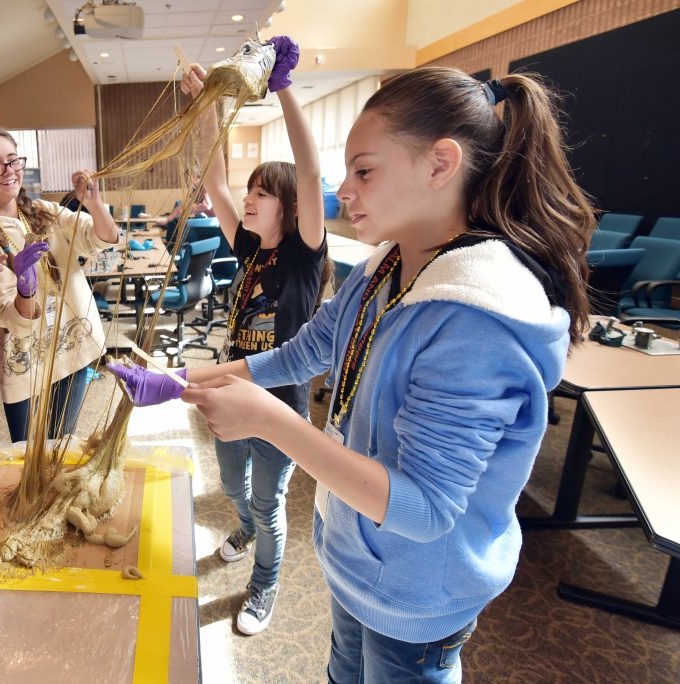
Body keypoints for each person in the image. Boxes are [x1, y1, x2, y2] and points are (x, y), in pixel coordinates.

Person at [114, 64, 595, 682]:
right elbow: (304, 350)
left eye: (365, 171)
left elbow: (424, 507)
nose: (346, 191)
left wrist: (272, 420)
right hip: (356, 559)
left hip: (417, 593)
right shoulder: (384, 268)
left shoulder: (477, 319)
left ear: (440, 164)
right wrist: (186, 380)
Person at [123, 37, 330, 637]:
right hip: (230, 390)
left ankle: (264, 584)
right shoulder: (249, 246)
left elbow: (312, 171)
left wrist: (283, 88)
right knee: (235, 487)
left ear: (290, 207)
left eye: (263, 192)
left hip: (279, 402)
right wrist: (206, 101)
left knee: (269, 503)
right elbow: (214, 179)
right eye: (253, 189)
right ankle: (244, 527)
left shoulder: (302, 254)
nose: (249, 197)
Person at [0, 125, 119, 442]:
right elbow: (14, 323)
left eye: (13, 160)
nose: (9, 171)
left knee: (61, 445)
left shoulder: (44, 212)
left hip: (72, 348)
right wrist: (24, 288)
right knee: (29, 456)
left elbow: (101, 237)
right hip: (26, 366)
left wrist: (95, 204)